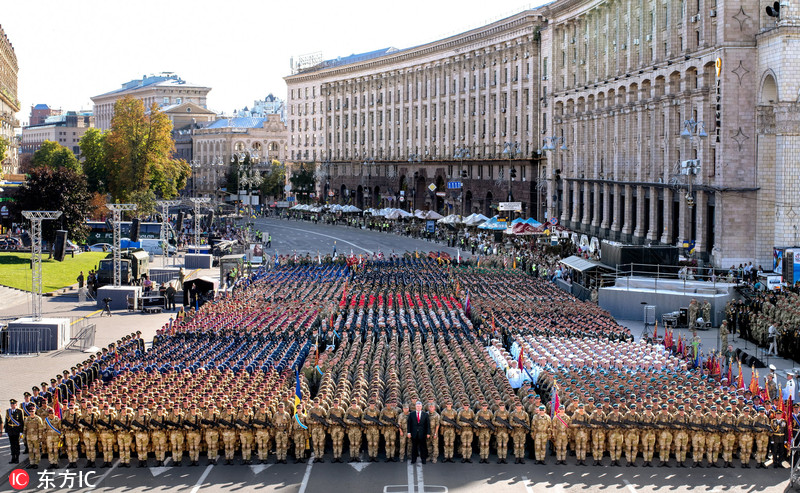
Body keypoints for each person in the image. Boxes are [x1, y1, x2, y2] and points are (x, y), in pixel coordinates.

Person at [5, 399, 23, 464]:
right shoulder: (8, 411)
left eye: (13, 404)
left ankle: (17, 458)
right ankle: (13, 458)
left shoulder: (19, 411)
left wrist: (21, 431)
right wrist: (6, 431)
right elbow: (6, 421)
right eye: (11, 404)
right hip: (10, 430)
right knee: (12, 445)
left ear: (16, 404)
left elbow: (21, 421)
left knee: (16, 445)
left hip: (16, 430)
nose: (12, 405)